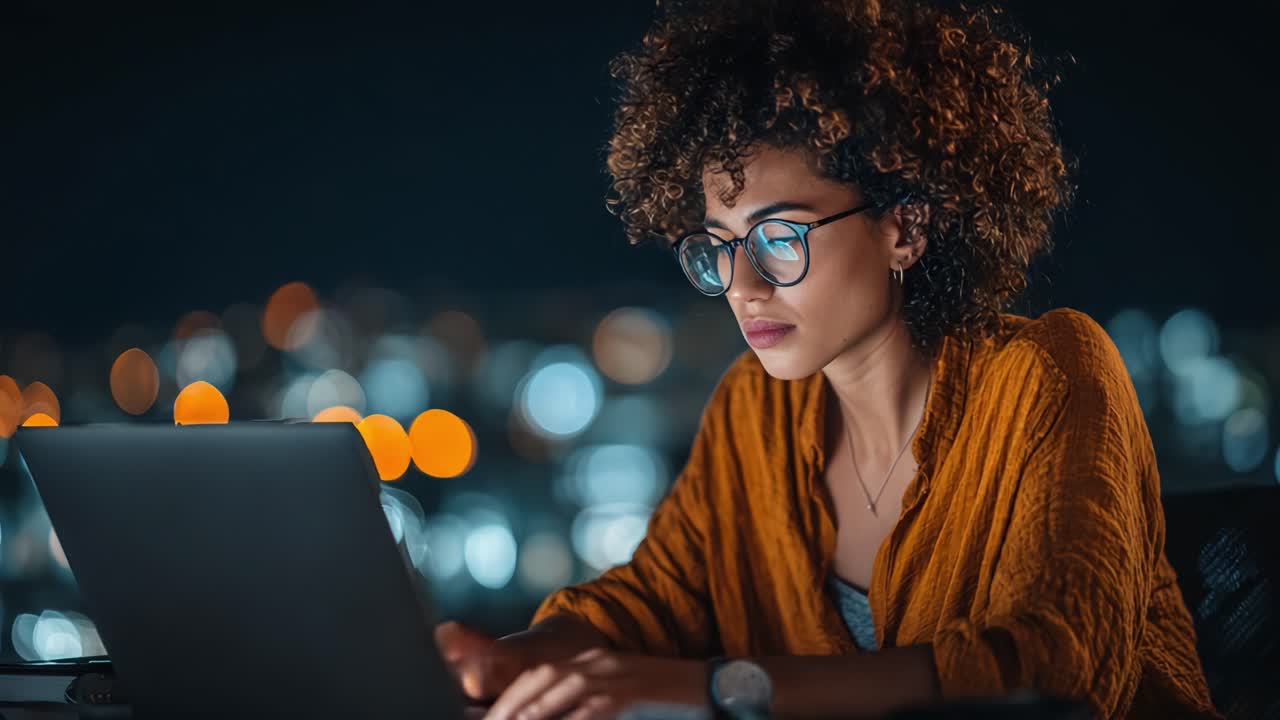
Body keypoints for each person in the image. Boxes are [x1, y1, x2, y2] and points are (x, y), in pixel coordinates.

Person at [436, 0, 1220, 717]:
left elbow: (1056, 666)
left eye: (780, 237)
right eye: (719, 246)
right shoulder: (755, 408)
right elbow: (652, 601)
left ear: (905, 228)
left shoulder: (1048, 374)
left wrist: (720, 691)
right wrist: (509, 663)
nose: (742, 286)